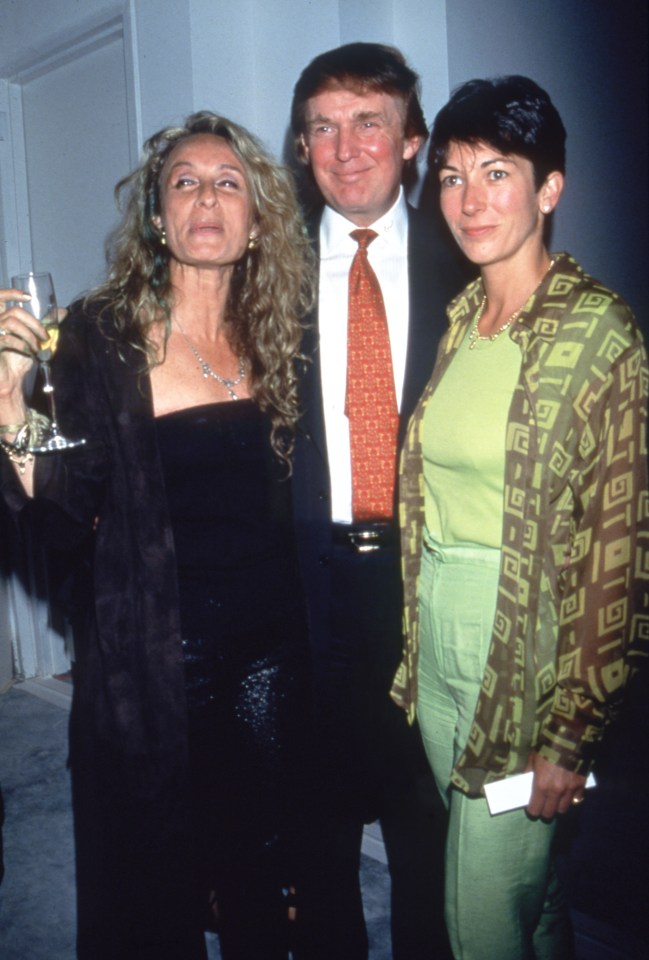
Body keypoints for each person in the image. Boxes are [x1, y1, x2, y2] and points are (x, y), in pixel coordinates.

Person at [0, 111, 315, 960]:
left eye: (226, 182)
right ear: (156, 215)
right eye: (183, 182)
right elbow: (63, 511)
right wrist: (6, 405)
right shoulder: (101, 338)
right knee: (148, 893)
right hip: (153, 662)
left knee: (262, 878)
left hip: (270, 659)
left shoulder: (286, 333)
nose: (205, 198)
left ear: (255, 221)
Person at [391, 75, 649, 959]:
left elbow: (615, 551)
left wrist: (570, 733)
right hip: (440, 644)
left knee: (477, 919)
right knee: (529, 899)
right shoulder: (461, 319)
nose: (469, 200)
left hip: (528, 653)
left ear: (548, 188)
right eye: (454, 176)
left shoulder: (600, 334)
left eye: (496, 173)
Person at [289, 42, 466, 960]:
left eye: (369, 122)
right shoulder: (262, 271)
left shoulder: (468, 264)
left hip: (422, 583)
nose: (344, 146)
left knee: (422, 831)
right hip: (301, 588)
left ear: (411, 143)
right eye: (323, 124)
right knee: (313, 837)